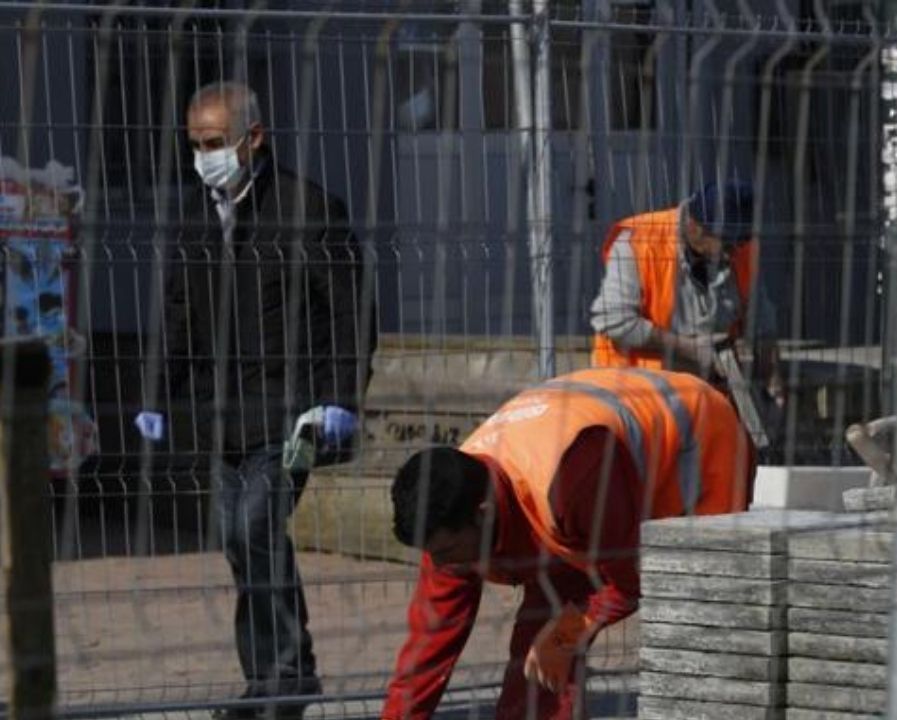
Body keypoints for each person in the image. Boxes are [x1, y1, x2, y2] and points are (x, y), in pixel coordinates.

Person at [134, 81, 377, 720]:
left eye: (215, 144)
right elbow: (178, 312)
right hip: (221, 417)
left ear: (254, 139)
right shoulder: (195, 217)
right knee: (239, 546)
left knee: (256, 527)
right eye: (195, 146)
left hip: (291, 414)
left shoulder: (306, 209)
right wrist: (158, 394)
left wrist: (341, 398)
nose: (204, 157)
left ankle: (292, 677)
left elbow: (351, 315)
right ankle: (267, 681)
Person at [379, 367, 753, 720]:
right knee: (538, 658)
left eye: (444, 553)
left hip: (700, 444)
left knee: (701, 609)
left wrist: (563, 637)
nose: (440, 564)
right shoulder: (446, 520)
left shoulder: (574, 476)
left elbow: (632, 579)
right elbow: (427, 651)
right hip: (587, 503)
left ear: (483, 513)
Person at [589, 180, 784, 440]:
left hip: (707, 393)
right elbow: (613, 321)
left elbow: (761, 317)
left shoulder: (740, 247)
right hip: (638, 392)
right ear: (694, 227)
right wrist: (690, 349)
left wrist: (772, 375)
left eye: (739, 243)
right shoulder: (636, 241)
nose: (732, 252)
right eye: (725, 244)